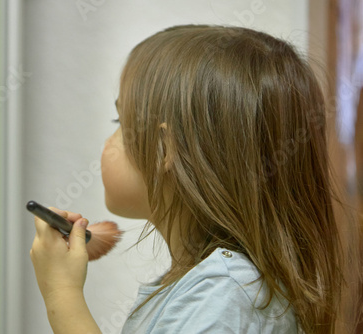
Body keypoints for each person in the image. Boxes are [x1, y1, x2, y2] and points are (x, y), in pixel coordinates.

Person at [30, 25, 358, 333]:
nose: (107, 141)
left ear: (164, 149)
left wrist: (61, 294)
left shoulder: (225, 292)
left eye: (121, 121)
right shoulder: (210, 285)